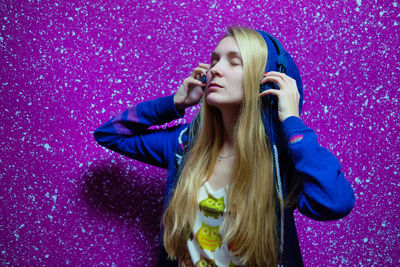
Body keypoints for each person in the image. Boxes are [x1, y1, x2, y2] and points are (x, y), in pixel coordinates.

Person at [94, 27, 355, 267]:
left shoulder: (281, 160)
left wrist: (291, 121)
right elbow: (110, 134)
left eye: (234, 61)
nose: (215, 69)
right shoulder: (184, 146)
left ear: (268, 80)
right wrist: (173, 104)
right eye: (215, 59)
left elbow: (334, 203)